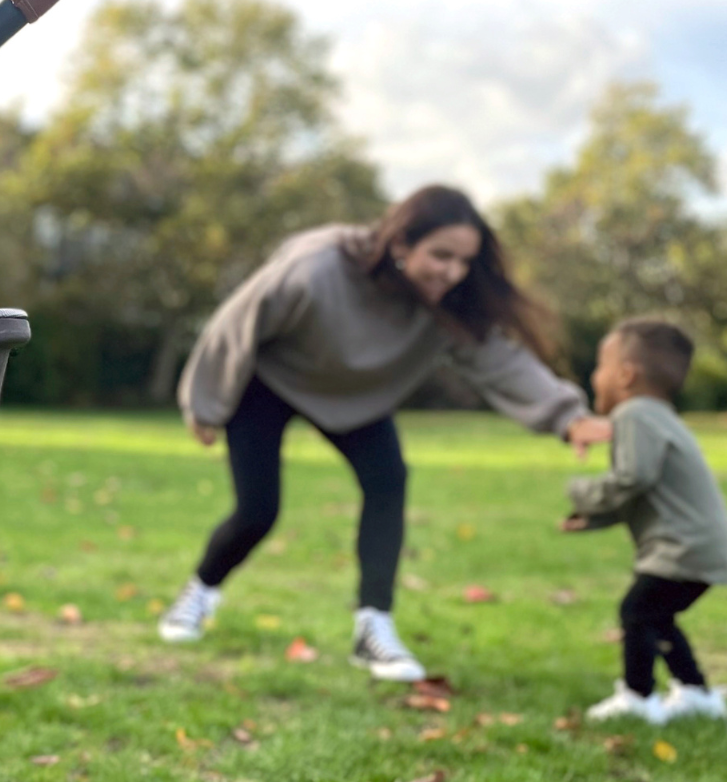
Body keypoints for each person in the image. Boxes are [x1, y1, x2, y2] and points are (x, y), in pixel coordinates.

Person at [160, 184, 606, 680]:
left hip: (357, 396)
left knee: (388, 483)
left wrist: (569, 418)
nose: (452, 272)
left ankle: (373, 628)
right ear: (400, 244)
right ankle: (197, 595)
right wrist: (206, 403)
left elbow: (499, 360)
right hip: (271, 381)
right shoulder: (317, 269)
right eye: (440, 255)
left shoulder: (448, 301)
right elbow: (236, 324)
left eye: (463, 261)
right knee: (257, 511)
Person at [562, 319, 727, 723]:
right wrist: (593, 519)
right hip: (702, 544)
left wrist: (581, 492)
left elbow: (634, 478)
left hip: (682, 547)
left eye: (600, 367)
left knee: (636, 611)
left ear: (626, 374)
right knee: (656, 615)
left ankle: (638, 699)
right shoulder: (659, 415)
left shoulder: (634, 414)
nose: (594, 377)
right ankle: (696, 694)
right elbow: (643, 490)